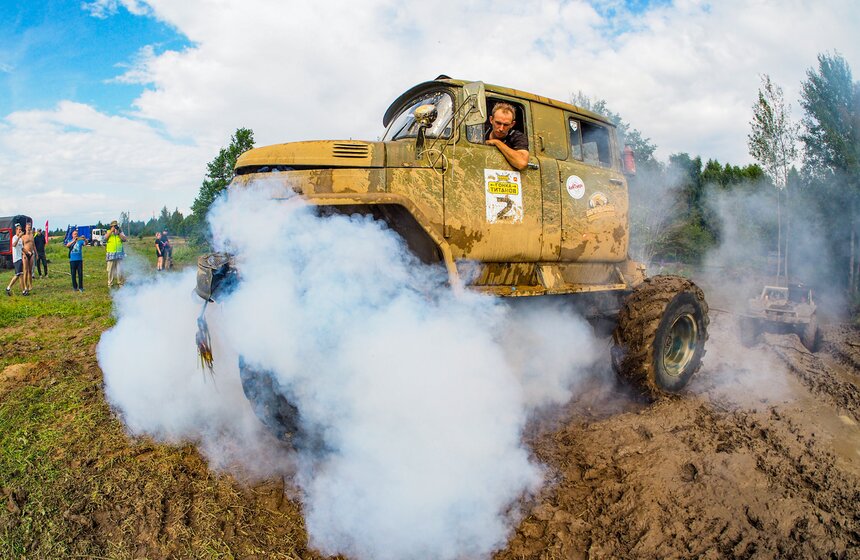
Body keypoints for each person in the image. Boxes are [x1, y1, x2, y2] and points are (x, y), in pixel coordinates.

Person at [484, 102, 530, 171]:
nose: (501, 129)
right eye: (498, 123)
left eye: (506, 125)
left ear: (512, 124)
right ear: (491, 120)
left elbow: (521, 163)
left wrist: (497, 142)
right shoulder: (481, 131)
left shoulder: (518, 137)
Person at [105, 220, 127, 287]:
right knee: (110, 270)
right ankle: (110, 284)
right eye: (113, 226)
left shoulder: (120, 232)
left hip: (119, 254)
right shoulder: (108, 232)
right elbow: (104, 238)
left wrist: (118, 233)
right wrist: (111, 231)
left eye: (116, 226)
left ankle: (120, 283)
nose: (115, 227)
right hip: (111, 254)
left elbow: (124, 239)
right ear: (111, 226)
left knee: (120, 270)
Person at [5, 224, 25, 296]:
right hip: (16, 259)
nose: (20, 231)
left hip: (20, 258)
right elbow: (13, 245)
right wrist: (19, 237)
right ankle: (9, 288)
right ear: (16, 230)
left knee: (20, 275)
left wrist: (27, 253)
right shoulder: (14, 237)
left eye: (21, 230)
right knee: (18, 275)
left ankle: (23, 291)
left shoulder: (20, 239)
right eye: (19, 230)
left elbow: (22, 248)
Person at [21, 222, 35, 294]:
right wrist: (24, 254)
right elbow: (21, 247)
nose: (29, 229)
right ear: (25, 228)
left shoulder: (32, 236)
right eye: (28, 228)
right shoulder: (23, 237)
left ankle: (30, 285)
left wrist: (36, 253)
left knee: (30, 270)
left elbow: (34, 245)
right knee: (25, 271)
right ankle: (25, 286)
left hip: (31, 253)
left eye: (30, 228)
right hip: (25, 254)